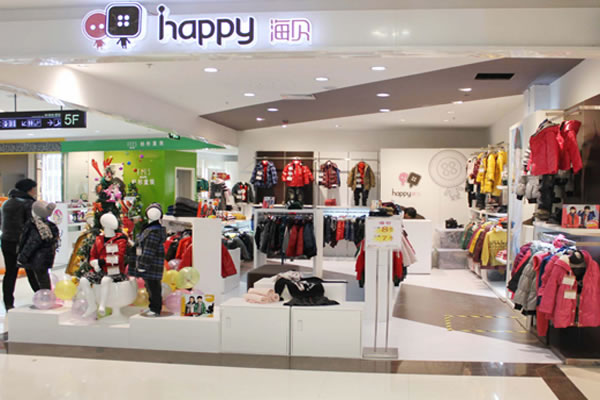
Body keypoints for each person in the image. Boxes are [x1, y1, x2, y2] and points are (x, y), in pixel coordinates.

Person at [1, 178, 39, 311]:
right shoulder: (28, 204)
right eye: (34, 189)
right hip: (23, 243)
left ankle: (8, 303)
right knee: (32, 271)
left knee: (10, 273)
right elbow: (32, 225)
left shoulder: (7, 203)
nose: (35, 191)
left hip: (7, 241)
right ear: (29, 189)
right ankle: (42, 297)